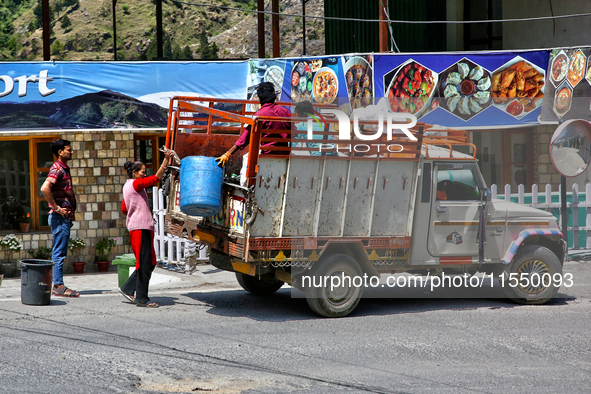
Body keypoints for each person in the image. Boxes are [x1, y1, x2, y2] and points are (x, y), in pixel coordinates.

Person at [118, 150, 175, 308]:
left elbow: (124, 209)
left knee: (150, 262)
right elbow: (156, 178)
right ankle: (141, 298)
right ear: (134, 173)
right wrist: (166, 160)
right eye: (142, 172)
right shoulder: (135, 184)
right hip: (140, 228)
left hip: (141, 227)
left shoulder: (129, 187)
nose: (144, 174)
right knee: (144, 263)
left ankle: (128, 288)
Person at [215, 82, 290, 183]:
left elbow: (245, 138)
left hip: (266, 156)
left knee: (247, 158)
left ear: (260, 98)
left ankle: (245, 187)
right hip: (285, 156)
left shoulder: (260, 115)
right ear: (273, 96)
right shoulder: (285, 112)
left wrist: (228, 154)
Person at [41, 139, 79, 297]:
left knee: (59, 251)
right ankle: (58, 285)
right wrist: (57, 208)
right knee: (59, 253)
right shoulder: (57, 168)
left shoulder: (63, 167)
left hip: (63, 218)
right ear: (60, 152)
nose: (71, 152)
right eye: (68, 150)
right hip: (59, 218)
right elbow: (44, 188)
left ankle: (57, 284)